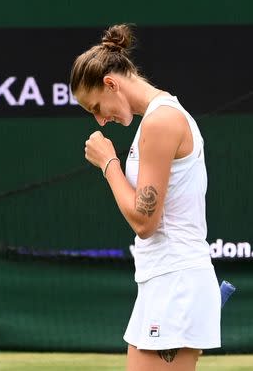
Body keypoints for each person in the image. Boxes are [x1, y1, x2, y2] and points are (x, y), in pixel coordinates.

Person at [70, 24, 220, 370]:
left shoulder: (160, 122)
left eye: (96, 107)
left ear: (111, 84)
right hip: (165, 283)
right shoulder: (158, 118)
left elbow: (144, 221)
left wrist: (109, 163)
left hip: (175, 284)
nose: (100, 121)